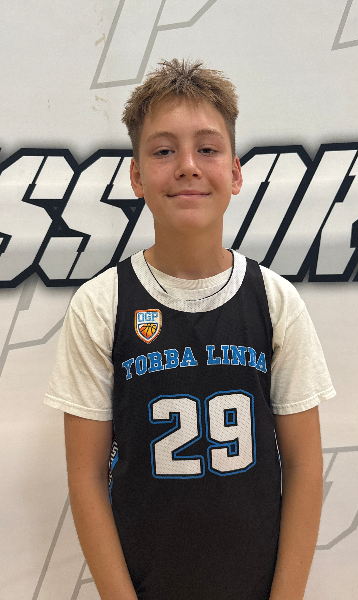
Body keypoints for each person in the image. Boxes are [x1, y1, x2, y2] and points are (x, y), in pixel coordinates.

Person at [44, 59, 335, 600]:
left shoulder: (275, 301)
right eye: (162, 151)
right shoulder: (101, 305)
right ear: (136, 176)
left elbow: (303, 466)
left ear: (236, 172)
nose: (187, 167)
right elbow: (85, 478)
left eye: (207, 148)